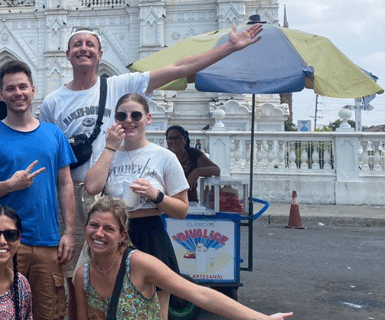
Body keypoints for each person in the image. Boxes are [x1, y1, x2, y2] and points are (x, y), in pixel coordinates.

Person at [39, 25, 263, 312]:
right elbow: (48, 152)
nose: (84, 48)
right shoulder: (52, 102)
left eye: (90, 44)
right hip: (72, 195)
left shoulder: (119, 87)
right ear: (67, 54)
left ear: (100, 54)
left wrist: (229, 47)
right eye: (77, 44)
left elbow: (177, 68)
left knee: (144, 290)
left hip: (114, 202)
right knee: (79, 279)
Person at [0, 60, 76, 320]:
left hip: (46, 241)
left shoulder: (53, 134)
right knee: (0, 312)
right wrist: (9, 185)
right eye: (11, 88)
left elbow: (65, 184)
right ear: (1, 94)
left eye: (23, 87)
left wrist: (69, 232)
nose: (18, 93)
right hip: (2, 241)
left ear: (33, 90)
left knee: (48, 313)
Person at [74, 197, 293, 320]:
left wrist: (261, 318)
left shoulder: (139, 264)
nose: (99, 233)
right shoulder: (82, 276)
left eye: (108, 228)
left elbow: (199, 294)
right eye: (94, 225)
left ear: (123, 235)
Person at [83, 93, 189, 318]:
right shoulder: (108, 153)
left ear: (148, 118)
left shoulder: (164, 157)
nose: (128, 120)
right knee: (113, 305)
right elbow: (92, 187)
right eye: (122, 115)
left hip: (150, 231)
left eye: (136, 115)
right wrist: (110, 147)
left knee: (156, 311)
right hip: (116, 234)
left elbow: (182, 210)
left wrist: (156, 195)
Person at [166, 126, 220, 202]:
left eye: (177, 138)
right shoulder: (163, 155)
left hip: (191, 202)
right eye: (170, 138)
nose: (174, 141)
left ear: (185, 139)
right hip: (167, 202)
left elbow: (216, 170)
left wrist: (197, 172)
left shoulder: (193, 154)